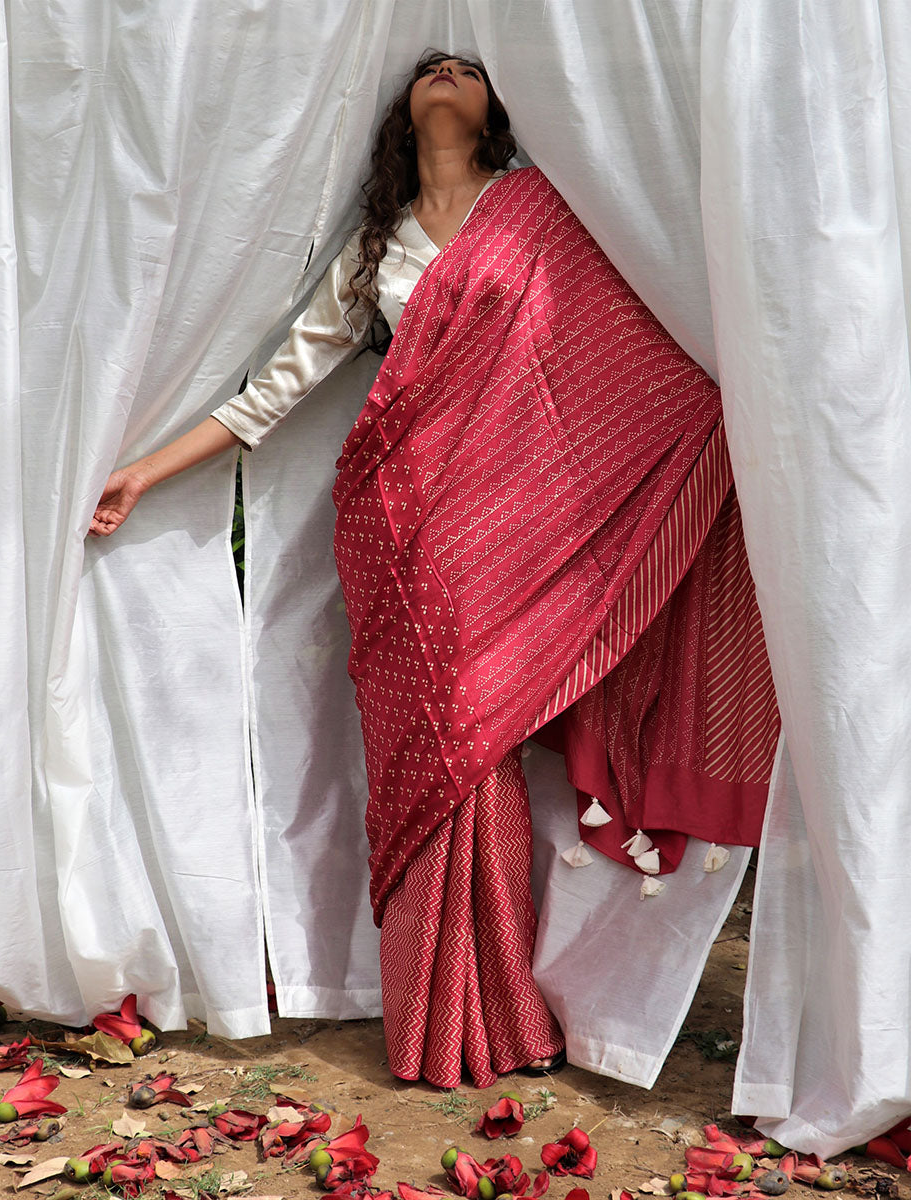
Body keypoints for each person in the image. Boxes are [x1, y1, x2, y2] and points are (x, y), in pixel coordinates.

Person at [91, 51, 780, 1089]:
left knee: (478, 748)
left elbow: (617, 352)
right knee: (435, 759)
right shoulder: (376, 249)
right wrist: (145, 471)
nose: (446, 73)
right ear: (401, 115)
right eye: (429, 69)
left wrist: (752, 389)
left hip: (505, 535)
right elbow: (271, 392)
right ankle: (439, 1017)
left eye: (466, 67)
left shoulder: (543, 213)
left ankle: (496, 1012)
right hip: (398, 532)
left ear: (499, 106)